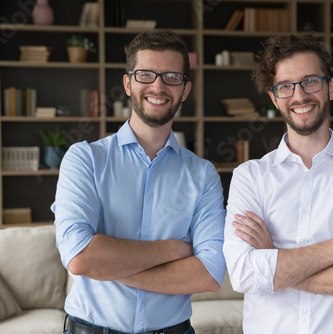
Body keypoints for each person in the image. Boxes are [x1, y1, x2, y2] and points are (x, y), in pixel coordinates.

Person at [223, 32, 333, 333]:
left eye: (311, 81)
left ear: (330, 87)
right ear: (273, 97)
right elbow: (244, 274)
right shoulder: (249, 177)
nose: (299, 95)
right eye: (285, 86)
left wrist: (275, 261)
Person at [52, 30, 226, 334]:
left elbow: (208, 275)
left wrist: (107, 266)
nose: (158, 86)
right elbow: (80, 258)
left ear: (185, 89)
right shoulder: (86, 160)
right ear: (128, 83)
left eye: (172, 76)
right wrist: (172, 250)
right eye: (146, 75)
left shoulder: (203, 174)